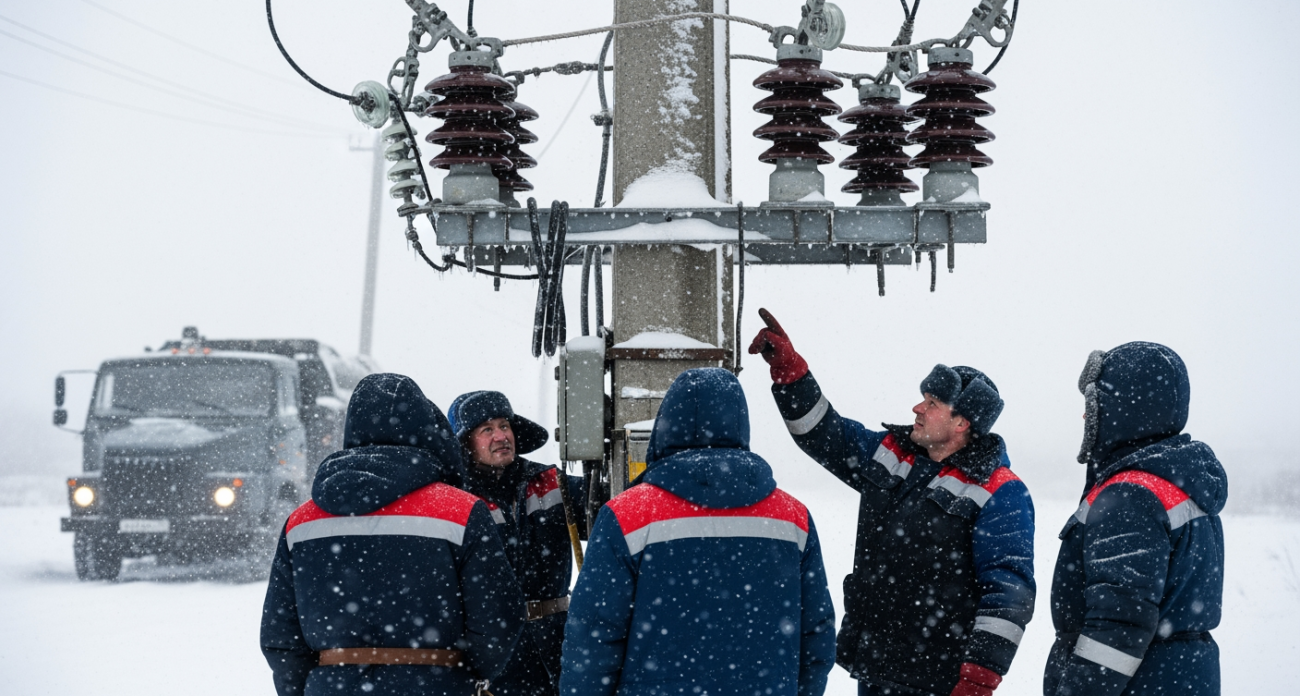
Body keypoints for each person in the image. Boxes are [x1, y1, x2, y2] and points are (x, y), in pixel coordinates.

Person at [748, 309, 1035, 696]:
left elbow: (1008, 595)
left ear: (962, 423)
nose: (918, 408)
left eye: (932, 402)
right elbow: (821, 433)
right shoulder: (892, 456)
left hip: (938, 683)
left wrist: (978, 680)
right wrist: (790, 371)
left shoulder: (1000, 491)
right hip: (875, 669)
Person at [560, 367, 837, 696]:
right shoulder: (793, 518)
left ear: (665, 426)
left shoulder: (627, 515)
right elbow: (817, 635)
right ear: (739, 425)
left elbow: (593, 638)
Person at [260, 374, 523, 696]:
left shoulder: (301, 522)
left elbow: (281, 636)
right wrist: (463, 678)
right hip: (438, 685)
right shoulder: (461, 510)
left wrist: (310, 686)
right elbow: (498, 617)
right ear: (427, 429)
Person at [1045, 343, 1226, 696]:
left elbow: (1117, 628)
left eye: (1093, 406)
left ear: (1121, 409)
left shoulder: (1131, 496)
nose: (1085, 418)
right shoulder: (1177, 482)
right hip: (1178, 678)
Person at [448, 390, 588, 696]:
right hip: (496, 656)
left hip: (561, 646)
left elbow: (612, 511)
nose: (500, 436)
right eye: (487, 430)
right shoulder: (455, 502)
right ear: (465, 443)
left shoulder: (551, 482)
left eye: (504, 425)